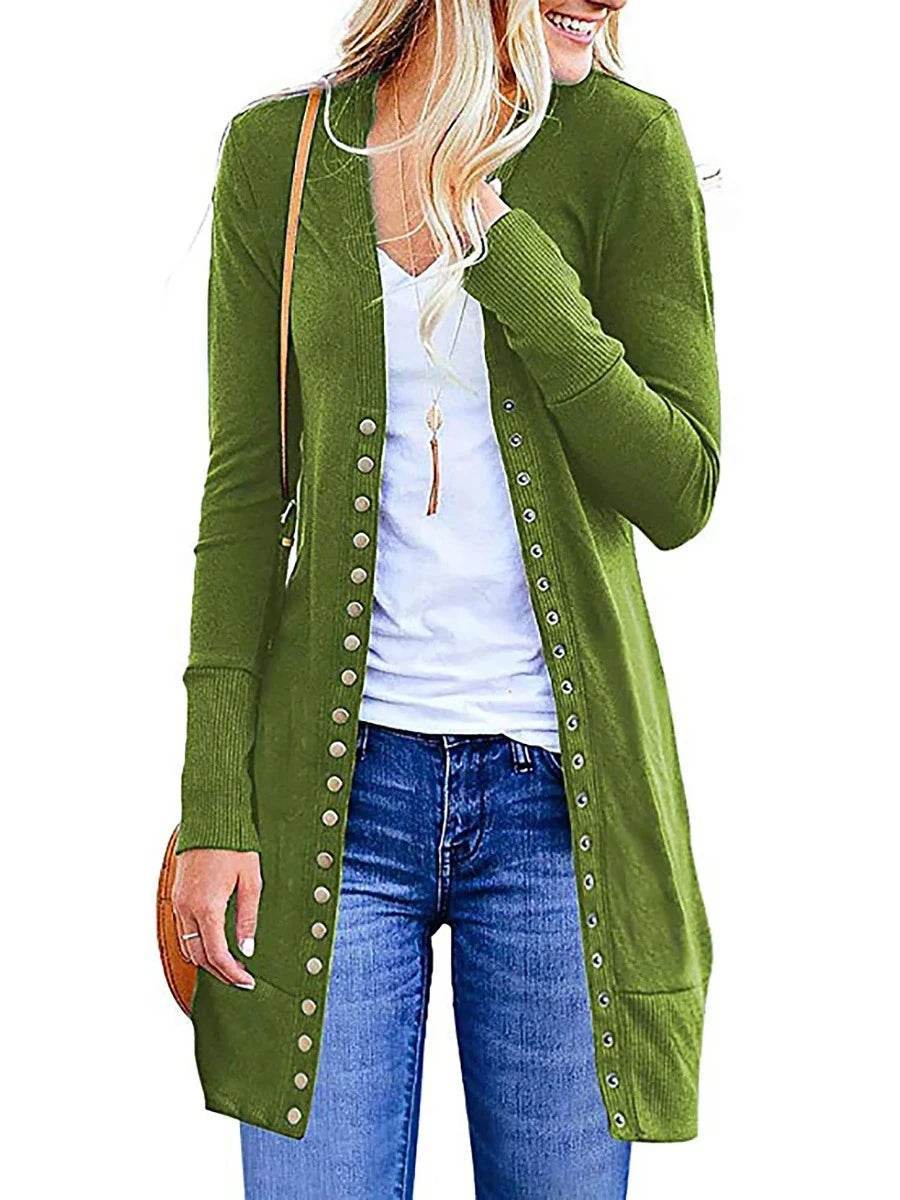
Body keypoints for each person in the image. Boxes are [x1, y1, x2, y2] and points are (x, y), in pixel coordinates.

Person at [173, 1, 721, 1196]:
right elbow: (243, 495)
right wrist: (214, 794)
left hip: (558, 812)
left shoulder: (630, 146)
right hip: (332, 806)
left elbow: (681, 487)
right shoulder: (282, 154)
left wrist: (514, 262)